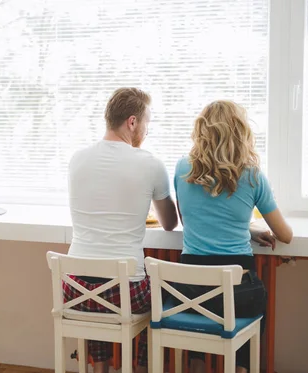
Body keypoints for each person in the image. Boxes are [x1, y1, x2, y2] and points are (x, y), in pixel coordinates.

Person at [174, 100, 293, 373]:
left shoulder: (183, 169)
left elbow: (191, 221)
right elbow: (284, 235)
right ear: (241, 131)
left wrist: (246, 230)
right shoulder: (253, 177)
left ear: (201, 131)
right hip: (237, 292)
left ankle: (196, 365)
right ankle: (240, 368)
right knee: (254, 306)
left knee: (196, 304)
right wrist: (248, 228)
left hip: (189, 290)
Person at [65, 87, 178, 373]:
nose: (147, 130)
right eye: (146, 123)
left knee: (97, 293)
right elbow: (169, 223)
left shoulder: (77, 158)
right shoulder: (149, 163)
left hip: (73, 288)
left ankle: (100, 368)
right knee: (161, 296)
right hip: (123, 291)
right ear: (132, 122)